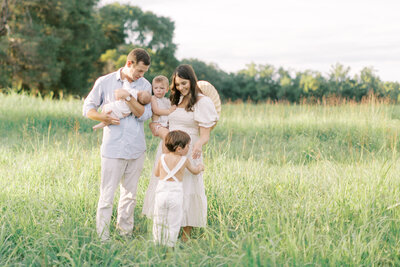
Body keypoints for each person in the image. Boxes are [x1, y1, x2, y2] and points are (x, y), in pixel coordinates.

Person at [142, 64, 219, 242]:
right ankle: (164, 232)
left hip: (188, 148)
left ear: (192, 81)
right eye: (177, 84)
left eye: (184, 83)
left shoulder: (202, 101)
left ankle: (185, 235)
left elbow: (205, 135)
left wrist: (198, 145)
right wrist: (159, 129)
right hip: (167, 148)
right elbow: (165, 122)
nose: (181, 88)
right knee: (165, 187)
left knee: (186, 189)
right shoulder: (175, 100)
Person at [82, 48, 152, 241]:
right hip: (113, 149)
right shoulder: (105, 82)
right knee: (107, 196)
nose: (141, 75)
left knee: (130, 196)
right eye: (139, 71)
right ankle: (102, 237)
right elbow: (87, 108)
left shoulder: (145, 85)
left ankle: (125, 234)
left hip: (136, 149)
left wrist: (128, 97)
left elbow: (144, 114)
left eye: (144, 72)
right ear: (129, 64)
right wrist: (101, 116)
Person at [153, 130, 204, 247]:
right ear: (179, 149)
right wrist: (200, 167)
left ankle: (158, 243)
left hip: (161, 193)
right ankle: (170, 245)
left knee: (159, 219)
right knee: (173, 222)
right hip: (175, 195)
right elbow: (195, 171)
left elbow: (156, 174)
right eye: (187, 146)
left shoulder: (162, 158)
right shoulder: (184, 160)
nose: (189, 148)